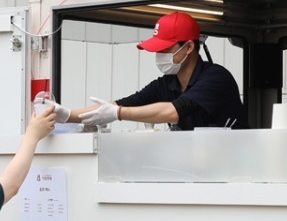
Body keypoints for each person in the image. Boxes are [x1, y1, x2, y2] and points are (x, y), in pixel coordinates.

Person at [58, 11, 247, 131]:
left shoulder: (216, 77)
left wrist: (118, 113)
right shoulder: (167, 83)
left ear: (189, 47)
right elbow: (121, 103)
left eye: (165, 49)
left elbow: (173, 112)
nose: (159, 55)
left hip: (235, 168)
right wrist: (67, 115)